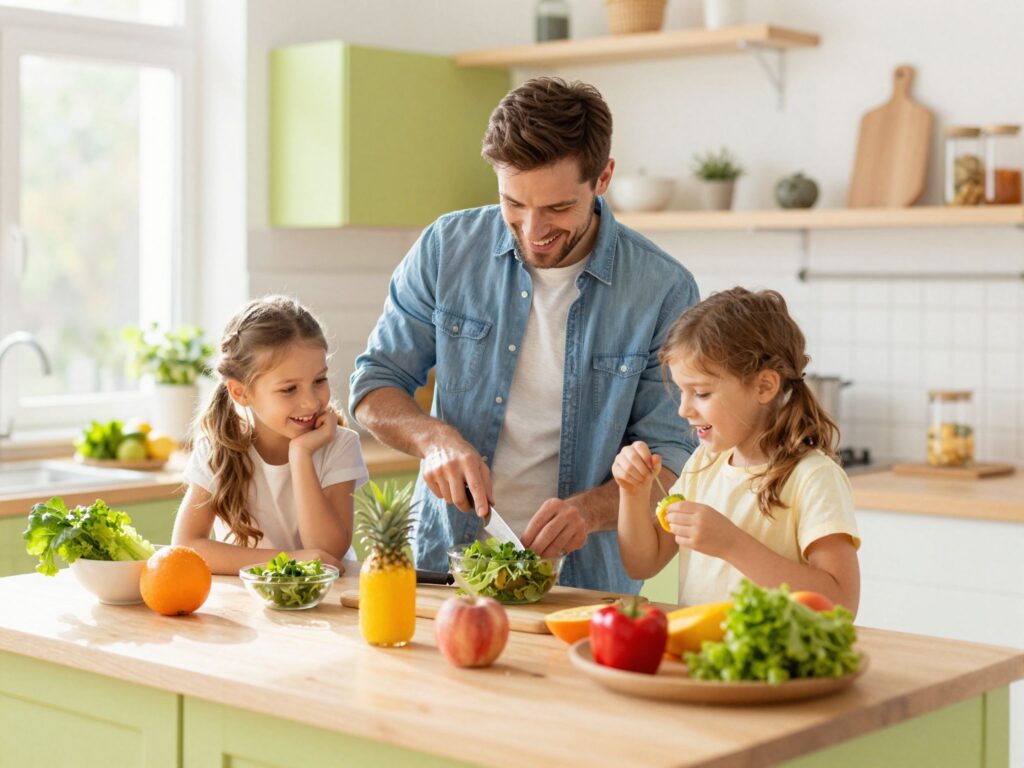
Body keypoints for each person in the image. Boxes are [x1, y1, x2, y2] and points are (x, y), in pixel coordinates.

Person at [349, 77, 700, 592]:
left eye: (558, 208)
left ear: (603, 178)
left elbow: (673, 457)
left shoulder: (662, 289)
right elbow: (373, 386)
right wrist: (435, 440)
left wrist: (590, 512)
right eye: (513, 203)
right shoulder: (447, 248)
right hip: (442, 566)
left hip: (584, 585)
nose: (533, 229)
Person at [612, 288, 861, 613]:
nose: (684, 410)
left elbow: (841, 601)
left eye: (701, 393)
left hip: (771, 661)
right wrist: (632, 494)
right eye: (681, 392)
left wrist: (731, 544)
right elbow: (642, 565)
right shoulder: (703, 463)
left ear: (764, 386)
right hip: (701, 656)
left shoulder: (813, 477)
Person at [173, 295, 368, 575]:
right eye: (290, 389)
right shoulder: (216, 449)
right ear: (241, 392)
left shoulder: (339, 445)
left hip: (327, 601)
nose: (311, 402)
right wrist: (289, 559)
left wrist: (300, 455)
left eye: (319, 380)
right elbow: (186, 547)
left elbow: (328, 550)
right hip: (247, 603)